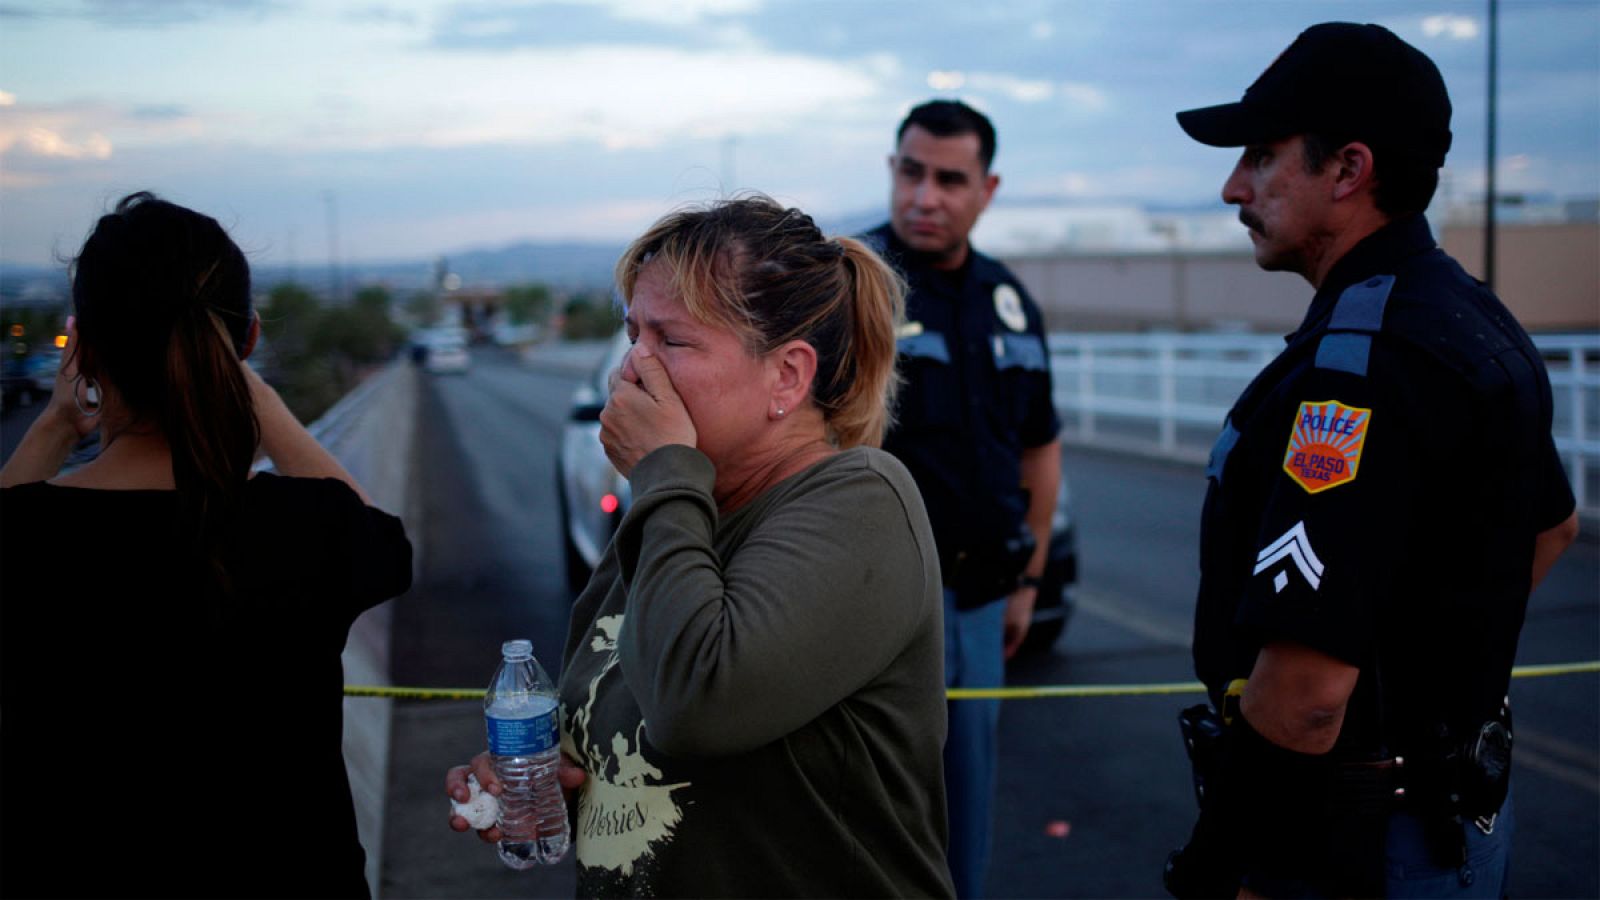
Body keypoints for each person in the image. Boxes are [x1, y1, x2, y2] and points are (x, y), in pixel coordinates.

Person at [1164, 23, 1579, 899]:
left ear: (1348, 171)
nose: (1235, 186)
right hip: (1452, 821)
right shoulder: (1470, 314)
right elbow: (1550, 527)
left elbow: (1308, 692)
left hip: (1357, 843)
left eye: (1262, 156)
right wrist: (1433, 673)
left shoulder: (1362, 369)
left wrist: (1223, 868)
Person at [447, 196, 955, 898]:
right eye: (633, 336)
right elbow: (631, 733)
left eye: (672, 342)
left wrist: (661, 471)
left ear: (787, 375)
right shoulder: (681, 515)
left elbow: (698, 703)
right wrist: (549, 779)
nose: (630, 370)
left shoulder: (861, 501)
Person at [0, 192, 413, 899]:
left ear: (88, 352)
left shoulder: (28, 535)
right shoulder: (305, 527)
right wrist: (258, 398)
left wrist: (55, 426)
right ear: (247, 343)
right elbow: (382, 543)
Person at [861, 99, 1062, 899]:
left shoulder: (1010, 302)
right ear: (892, 171)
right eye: (912, 172)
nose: (925, 196)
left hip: (979, 599)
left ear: (988, 189)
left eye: (951, 179)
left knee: (963, 807)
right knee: (870, 810)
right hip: (873, 606)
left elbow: (1039, 448)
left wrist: (1029, 581)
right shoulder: (847, 285)